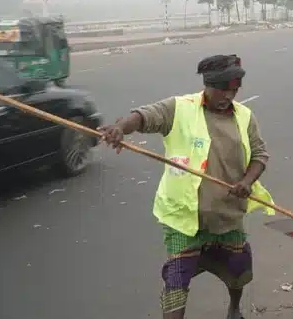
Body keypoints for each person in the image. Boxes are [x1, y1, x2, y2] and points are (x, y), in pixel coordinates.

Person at [98, 54, 274, 319]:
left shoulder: (245, 117)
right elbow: (144, 116)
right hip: (184, 218)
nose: (229, 96)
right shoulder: (180, 108)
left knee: (239, 271)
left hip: (227, 215)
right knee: (176, 282)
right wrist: (121, 128)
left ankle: (234, 308)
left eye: (235, 90)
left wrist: (246, 182)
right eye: (223, 90)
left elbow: (260, 154)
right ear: (208, 85)